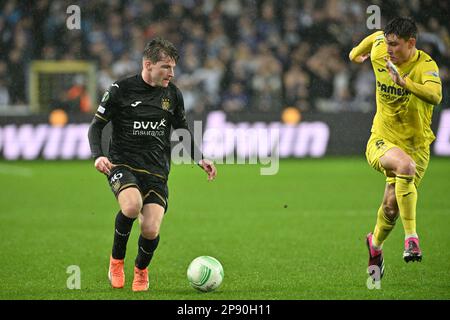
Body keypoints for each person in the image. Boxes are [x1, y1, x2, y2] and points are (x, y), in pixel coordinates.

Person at [88, 37, 217, 292]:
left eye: (173, 68)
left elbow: (182, 129)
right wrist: (98, 155)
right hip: (122, 164)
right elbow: (96, 126)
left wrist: (199, 157)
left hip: (157, 170)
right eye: (166, 67)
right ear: (148, 64)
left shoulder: (173, 94)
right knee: (132, 205)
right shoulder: (120, 90)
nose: (171, 73)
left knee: (150, 228)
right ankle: (116, 261)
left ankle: (141, 270)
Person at [349, 17, 442, 280]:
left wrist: (405, 84)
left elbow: (435, 96)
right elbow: (375, 37)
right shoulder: (381, 49)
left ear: (411, 43)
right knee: (404, 166)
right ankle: (411, 238)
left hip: (417, 145)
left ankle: (375, 245)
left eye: (396, 45)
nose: (389, 50)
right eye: (388, 44)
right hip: (382, 139)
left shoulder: (425, 66)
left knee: (391, 207)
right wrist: (356, 53)